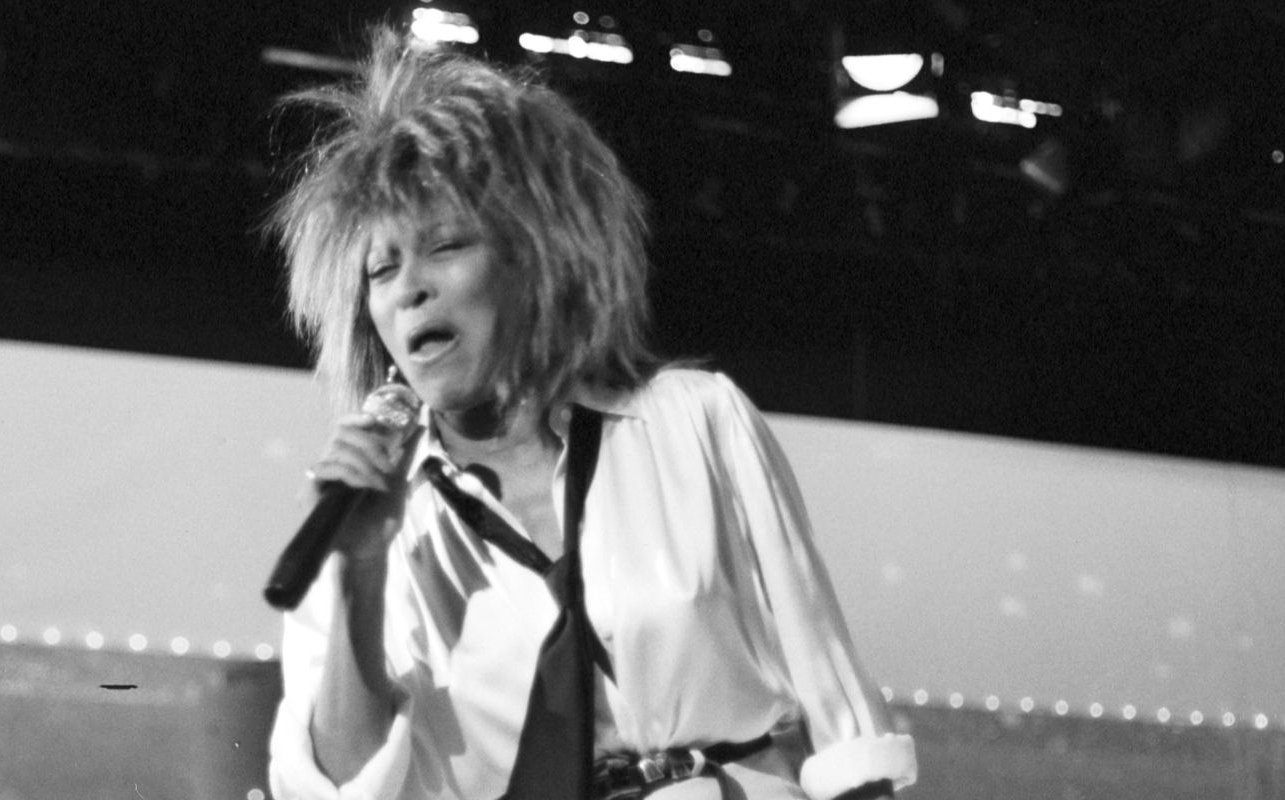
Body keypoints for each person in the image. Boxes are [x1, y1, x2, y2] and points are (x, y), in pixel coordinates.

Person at [264, 28, 916, 800]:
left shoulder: (692, 423)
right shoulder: (360, 520)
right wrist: (359, 574)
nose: (409, 288)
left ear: (535, 255)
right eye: (381, 268)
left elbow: (837, 705)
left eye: (444, 246)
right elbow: (336, 787)